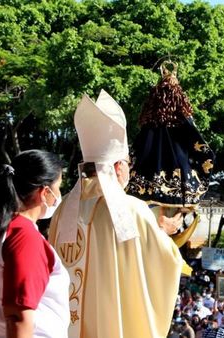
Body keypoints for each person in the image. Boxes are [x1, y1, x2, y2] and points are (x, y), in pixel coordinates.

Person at [48, 90, 184, 337]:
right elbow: (165, 264)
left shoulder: (62, 209)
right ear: (119, 167)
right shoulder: (132, 210)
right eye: (128, 165)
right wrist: (163, 233)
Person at [0, 150, 69, 337]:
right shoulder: (24, 236)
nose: (59, 194)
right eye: (58, 187)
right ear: (44, 192)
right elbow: (18, 317)